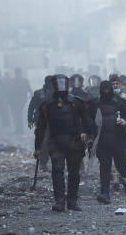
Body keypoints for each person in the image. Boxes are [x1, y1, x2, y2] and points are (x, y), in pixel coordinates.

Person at [34, 74, 93, 212]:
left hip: (74, 141)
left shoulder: (76, 102)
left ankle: (72, 201)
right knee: (57, 170)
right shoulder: (47, 105)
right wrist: (37, 148)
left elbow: (87, 121)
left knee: (74, 172)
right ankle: (60, 201)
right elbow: (40, 128)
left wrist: (88, 136)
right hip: (55, 141)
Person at [94, 80, 126, 204]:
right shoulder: (96, 103)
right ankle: (105, 193)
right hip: (103, 141)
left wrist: (125, 121)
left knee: (121, 166)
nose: (106, 92)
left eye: (108, 90)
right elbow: (89, 119)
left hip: (119, 140)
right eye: (104, 90)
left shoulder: (120, 102)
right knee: (104, 168)